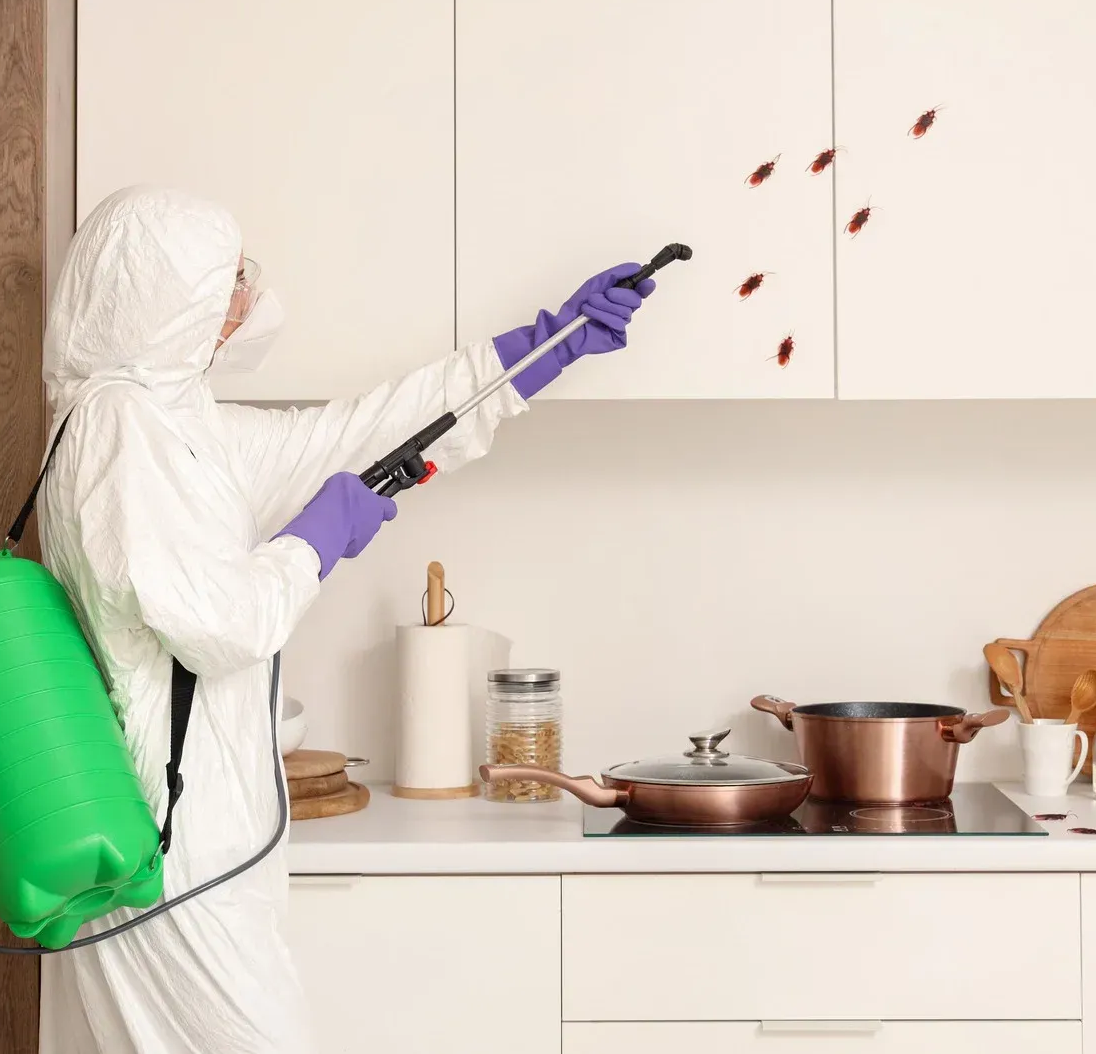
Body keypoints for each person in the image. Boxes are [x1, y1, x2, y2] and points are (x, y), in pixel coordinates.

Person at [34, 185, 655, 1053]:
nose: (247, 298)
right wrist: (310, 545)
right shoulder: (120, 432)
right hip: (172, 842)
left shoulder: (166, 424)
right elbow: (221, 623)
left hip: (190, 836)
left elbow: (349, 437)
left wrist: (532, 354)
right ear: (170, 304)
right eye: (231, 280)